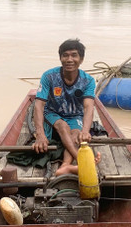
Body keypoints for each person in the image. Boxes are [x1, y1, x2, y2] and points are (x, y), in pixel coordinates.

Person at [32, 39, 100, 176]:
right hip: (52, 113)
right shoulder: (49, 76)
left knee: (76, 134)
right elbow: (39, 105)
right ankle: (83, 161)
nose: (69, 59)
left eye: (74, 55)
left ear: (81, 59)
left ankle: (65, 165)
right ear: (60, 58)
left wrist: (85, 131)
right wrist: (40, 134)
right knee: (63, 127)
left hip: (75, 115)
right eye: (65, 55)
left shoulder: (88, 80)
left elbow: (88, 107)